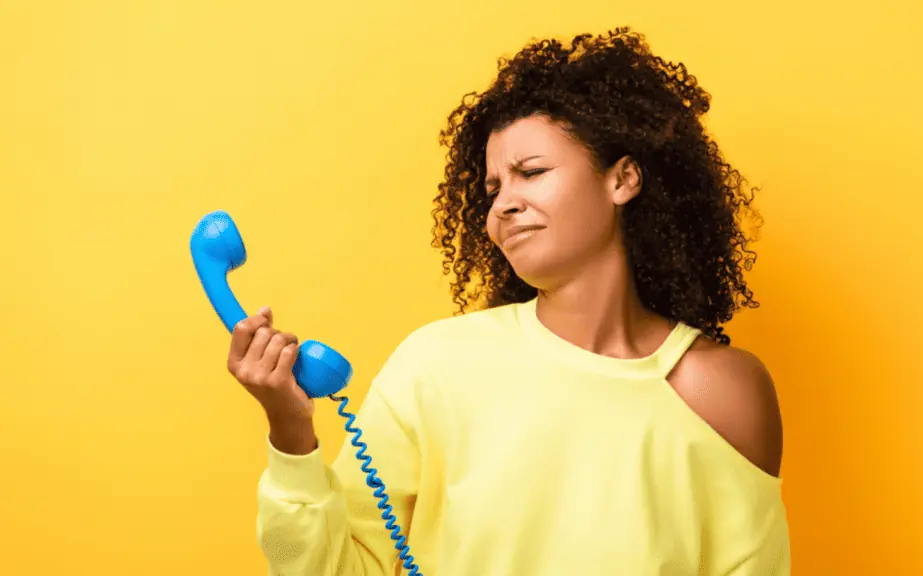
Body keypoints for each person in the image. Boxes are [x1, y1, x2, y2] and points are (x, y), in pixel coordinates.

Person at [227, 26, 789, 576]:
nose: (503, 205)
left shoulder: (724, 392)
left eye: (532, 173)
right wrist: (292, 436)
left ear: (623, 180)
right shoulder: (436, 365)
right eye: (494, 189)